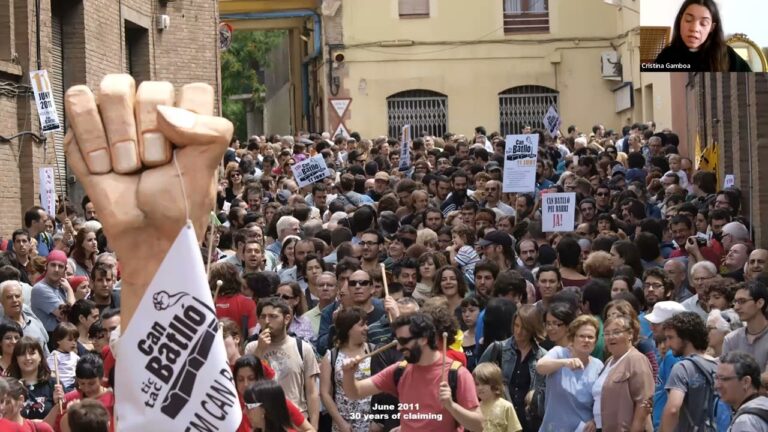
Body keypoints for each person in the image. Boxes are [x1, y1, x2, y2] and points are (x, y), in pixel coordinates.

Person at [341, 313, 482, 432]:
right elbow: (355, 393)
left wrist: (451, 406)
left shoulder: (457, 374)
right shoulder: (400, 371)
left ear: (423, 339)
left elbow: (479, 425)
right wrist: (348, 374)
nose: (398, 348)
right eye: (398, 341)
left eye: (404, 341)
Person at [245, 297, 321, 429]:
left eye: (273, 316)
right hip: (264, 421)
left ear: (286, 319)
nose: (267, 321)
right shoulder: (252, 348)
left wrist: (313, 426)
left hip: (296, 421)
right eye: (263, 317)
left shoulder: (303, 348)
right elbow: (247, 381)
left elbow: (312, 392)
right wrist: (260, 350)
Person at [478, 304, 547, 432]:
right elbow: (477, 378)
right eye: (516, 325)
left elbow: (546, 392)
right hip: (499, 420)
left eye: (524, 328)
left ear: (533, 328)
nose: (519, 331)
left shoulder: (543, 357)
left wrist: (535, 395)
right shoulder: (498, 348)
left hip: (528, 422)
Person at [536, 315, 604, 432]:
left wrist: (594, 421)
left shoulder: (598, 366)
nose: (586, 340)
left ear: (595, 341)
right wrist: (564, 362)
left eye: (590, 337)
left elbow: (601, 401)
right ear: (572, 338)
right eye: (581, 336)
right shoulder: (559, 353)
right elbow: (540, 367)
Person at [651, 0, 751, 72]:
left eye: (703, 23)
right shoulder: (667, 55)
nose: (694, 28)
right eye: (688, 20)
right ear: (680, 20)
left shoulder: (726, 55)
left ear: (712, 28)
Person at [592, 315, 654, 431]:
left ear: (630, 334)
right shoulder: (609, 361)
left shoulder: (637, 359)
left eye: (616, 332)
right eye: (606, 334)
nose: (611, 337)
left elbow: (643, 403)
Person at [660, 312, 719, 431]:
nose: (668, 344)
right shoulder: (718, 366)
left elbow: (673, 409)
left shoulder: (682, 368)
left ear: (686, 338)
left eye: (671, 338)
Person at [319, 307, 372, 432]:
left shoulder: (373, 350)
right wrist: (341, 423)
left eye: (366, 324)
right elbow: (325, 393)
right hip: (343, 426)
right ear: (348, 328)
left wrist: (378, 422)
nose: (367, 328)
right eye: (362, 325)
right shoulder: (331, 356)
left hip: (370, 425)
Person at [6, 337, 62, 422]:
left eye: (32, 353)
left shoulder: (54, 384)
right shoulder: (8, 387)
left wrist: (58, 404)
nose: (27, 358)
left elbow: (63, 418)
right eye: (22, 354)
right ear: (16, 359)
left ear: (40, 357)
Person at [716, 351, 768, 431]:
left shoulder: (745, 422)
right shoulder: (764, 404)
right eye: (716, 378)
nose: (717, 385)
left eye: (723, 379)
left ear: (746, 382)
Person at [723, 281, 768, 372]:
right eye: (735, 302)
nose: (736, 307)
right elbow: (725, 374)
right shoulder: (731, 339)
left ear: (760, 303)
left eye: (742, 301)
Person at [472, 362, 522, 432]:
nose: (480, 388)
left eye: (484, 383)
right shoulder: (476, 409)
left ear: (494, 384)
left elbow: (515, 429)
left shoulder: (506, 407)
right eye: (477, 384)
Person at [46, 322, 80, 392]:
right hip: (63, 387)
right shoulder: (55, 355)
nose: (74, 343)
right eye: (70, 340)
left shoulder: (74, 355)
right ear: (58, 340)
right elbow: (52, 374)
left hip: (75, 385)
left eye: (75, 340)